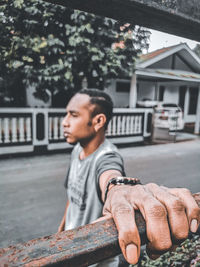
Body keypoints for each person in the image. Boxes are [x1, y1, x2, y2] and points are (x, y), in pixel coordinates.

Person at [58, 88, 200, 266]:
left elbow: (111, 174)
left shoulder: (107, 156)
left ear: (98, 121)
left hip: (94, 258)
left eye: (73, 115)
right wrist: (62, 231)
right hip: (70, 247)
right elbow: (71, 198)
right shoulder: (77, 150)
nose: (65, 122)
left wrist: (119, 188)